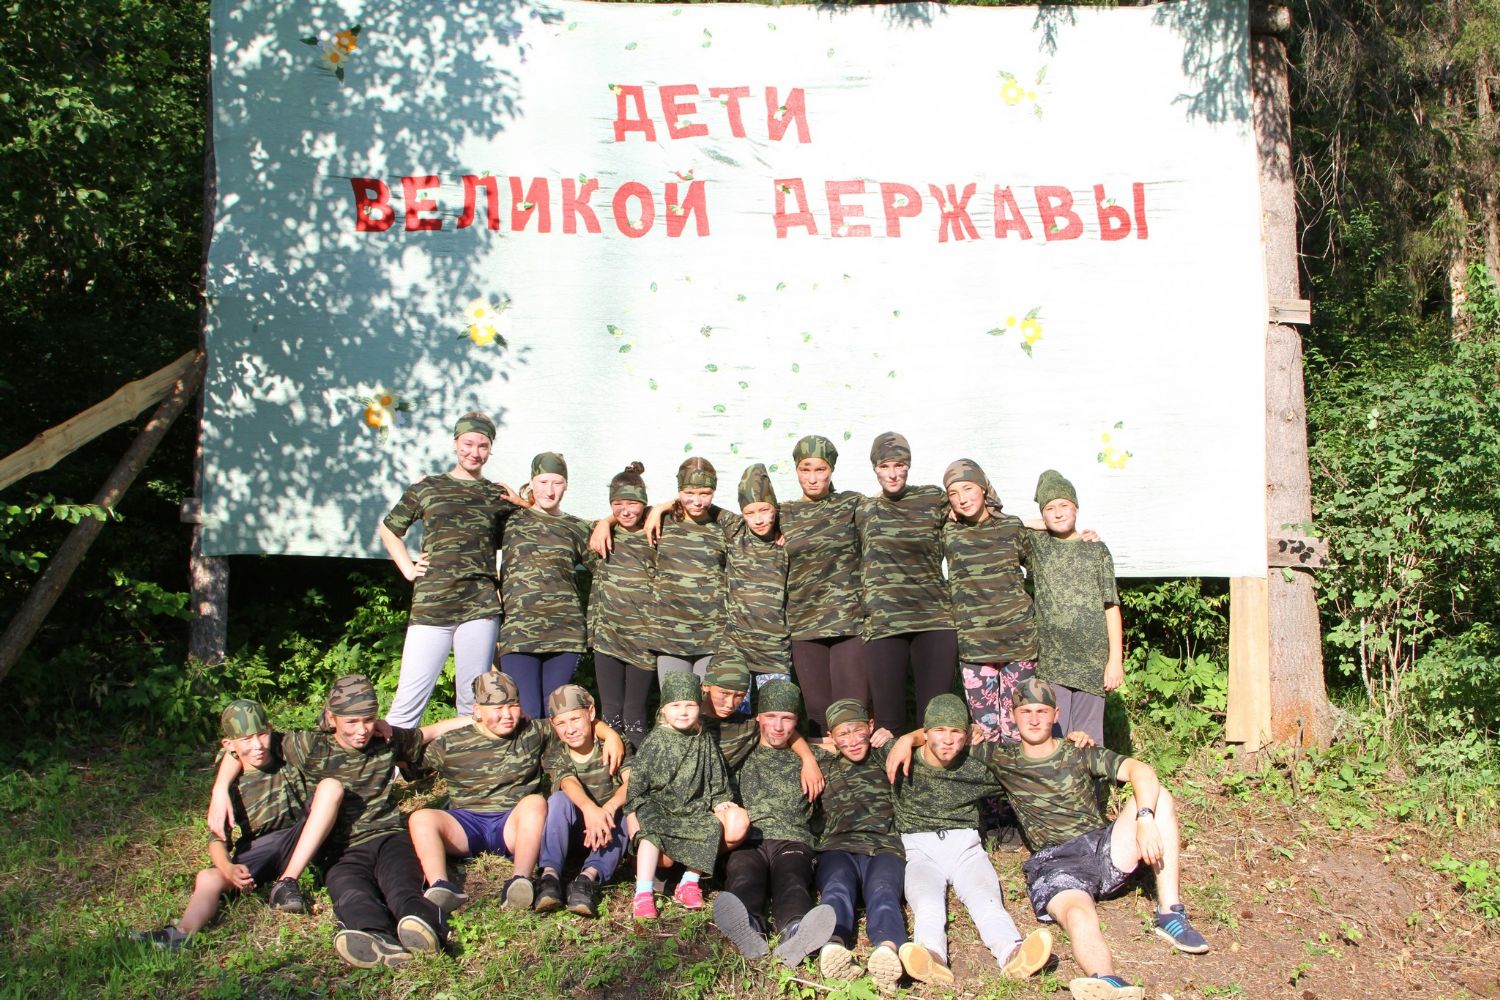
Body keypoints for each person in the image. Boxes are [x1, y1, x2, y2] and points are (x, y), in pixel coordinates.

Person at [208, 675, 470, 968]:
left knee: (402, 886)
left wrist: (480, 718)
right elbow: (247, 746)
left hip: (388, 837)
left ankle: (423, 927)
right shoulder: (310, 746)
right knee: (351, 894)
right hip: (339, 849)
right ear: (332, 719)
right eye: (352, 722)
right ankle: (373, 937)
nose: (362, 730)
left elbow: (429, 732)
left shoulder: (386, 741)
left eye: (369, 720)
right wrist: (219, 789)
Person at [990, 678, 1210, 1000]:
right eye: (1026, 712)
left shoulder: (1078, 751)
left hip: (1101, 846)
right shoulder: (1002, 759)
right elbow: (943, 746)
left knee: (1159, 796)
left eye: (1042, 711)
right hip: (1056, 863)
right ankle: (1106, 981)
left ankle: (1169, 912)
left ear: (1056, 715)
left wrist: (1144, 819)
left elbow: (1140, 770)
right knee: (1078, 914)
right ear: (1012, 715)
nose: (1034, 719)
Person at [131, 699, 344, 951]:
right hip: (261, 848)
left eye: (262, 734)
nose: (257, 746)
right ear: (229, 745)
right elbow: (217, 839)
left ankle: (288, 881)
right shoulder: (232, 785)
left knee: (330, 788)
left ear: (270, 730)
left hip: (304, 834)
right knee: (208, 877)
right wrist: (228, 868)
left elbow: (327, 732)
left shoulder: (285, 750)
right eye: (246, 739)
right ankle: (180, 935)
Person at [407, 670, 623, 915]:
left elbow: (574, 721)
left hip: (512, 824)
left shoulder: (532, 731)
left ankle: (521, 880)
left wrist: (611, 735)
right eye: (497, 708)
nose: (507, 715)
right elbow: (401, 747)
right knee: (421, 818)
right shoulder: (451, 742)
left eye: (513, 706)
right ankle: (440, 885)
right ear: (477, 710)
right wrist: (453, 724)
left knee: (535, 802)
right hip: (464, 824)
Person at [882, 694, 1054, 986]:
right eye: (939, 730)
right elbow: (847, 743)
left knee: (986, 901)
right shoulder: (900, 756)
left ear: (967, 735)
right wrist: (904, 740)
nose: (948, 739)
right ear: (925, 732)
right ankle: (931, 957)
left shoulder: (976, 765)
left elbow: (1026, 763)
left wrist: (1072, 742)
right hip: (918, 850)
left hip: (965, 847)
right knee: (927, 904)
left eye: (956, 732)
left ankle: (1013, 953)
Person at [379, 411, 522, 728]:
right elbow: (389, 529)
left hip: (480, 606)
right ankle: (393, 756)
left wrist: (521, 502)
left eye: (482, 446)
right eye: (468, 443)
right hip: (433, 604)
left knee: (474, 702)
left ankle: (467, 755)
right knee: (408, 699)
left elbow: (533, 526)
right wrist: (408, 568)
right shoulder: (429, 487)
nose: (474, 452)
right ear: (456, 443)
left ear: (490, 449)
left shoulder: (495, 494)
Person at [941, 458, 1040, 847]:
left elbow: (1042, 561)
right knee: (985, 734)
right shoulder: (948, 532)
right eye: (953, 493)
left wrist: (1074, 534)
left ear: (984, 488)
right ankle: (994, 816)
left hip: (1018, 644)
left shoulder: (1012, 527)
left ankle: (1023, 812)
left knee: (1018, 731)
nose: (962, 498)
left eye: (968, 488)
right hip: (975, 648)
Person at [712, 680, 837, 968]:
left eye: (787, 718)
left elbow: (855, 747)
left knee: (793, 879)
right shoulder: (738, 752)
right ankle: (749, 927)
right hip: (748, 839)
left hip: (793, 840)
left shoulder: (816, 760)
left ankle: (795, 931)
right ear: (758, 717)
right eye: (770, 716)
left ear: (797, 721)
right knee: (744, 875)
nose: (778, 726)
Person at [625, 671, 750, 918]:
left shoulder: (703, 738)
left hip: (693, 806)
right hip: (658, 805)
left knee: (711, 826)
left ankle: (689, 882)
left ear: (699, 707)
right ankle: (643, 893)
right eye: (675, 706)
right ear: (664, 709)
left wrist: (720, 799)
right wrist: (633, 811)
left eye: (690, 705)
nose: (683, 712)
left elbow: (715, 772)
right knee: (651, 833)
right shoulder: (655, 740)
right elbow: (638, 781)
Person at [858, 432, 957, 735]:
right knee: (888, 724)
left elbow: (980, 510)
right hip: (885, 624)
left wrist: (1044, 524)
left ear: (908, 466)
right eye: (884, 466)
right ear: (874, 468)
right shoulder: (862, 508)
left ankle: (931, 769)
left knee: (934, 721)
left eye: (899, 465)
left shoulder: (932, 498)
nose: (892, 474)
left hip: (934, 620)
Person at [809, 698, 906, 991]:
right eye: (843, 734)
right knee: (836, 887)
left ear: (871, 727)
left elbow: (929, 739)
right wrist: (809, 752)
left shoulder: (884, 754)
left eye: (857, 731)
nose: (852, 741)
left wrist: (900, 738)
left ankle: (887, 950)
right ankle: (833, 945)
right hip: (838, 847)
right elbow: (780, 738)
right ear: (831, 737)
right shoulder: (823, 762)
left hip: (884, 846)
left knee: (883, 891)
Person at [1026, 471, 1124, 744]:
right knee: (1055, 741)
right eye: (1050, 508)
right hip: (1052, 661)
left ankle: (1091, 778)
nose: (1058, 513)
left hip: (1091, 662)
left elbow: (1111, 606)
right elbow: (1006, 523)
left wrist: (1114, 661)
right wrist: (1044, 522)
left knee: (1088, 743)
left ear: (1077, 508)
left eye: (1064, 505)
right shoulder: (1038, 545)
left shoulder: (1097, 550)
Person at [778, 435, 866, 737]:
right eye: (805, 469)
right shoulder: (784, 513)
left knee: (853, 713)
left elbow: (894, 506)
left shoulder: (852, 504)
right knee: (817, 715)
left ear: (832, 469)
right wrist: (664, 507)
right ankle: (823, 769)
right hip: (804, 625)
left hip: (849, 623)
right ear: (796, 470)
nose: (813, 478)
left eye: (820, 469)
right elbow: (738, 521)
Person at [498, 451, 592, 720]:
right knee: (526, 713)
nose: (550, 491)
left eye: (557, 483)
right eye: (543, 482)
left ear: (566, 485)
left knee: (557, 715)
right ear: (531, 483)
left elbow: (607, 566)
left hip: (564, 632)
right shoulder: (510, 520)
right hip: (519, 633)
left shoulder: (577, 528)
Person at [539, 684, 633, 918]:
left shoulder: (614, 744)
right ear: (553, 724)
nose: (570, 729)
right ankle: (549, 876)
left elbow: (631, 782)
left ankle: (587, 878)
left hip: (607, 829)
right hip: (573, 831)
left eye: (575, 719)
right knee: (559, 800)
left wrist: (608, 808)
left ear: (591, 713)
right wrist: (590, 810)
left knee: (627, 809)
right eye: (561, 723)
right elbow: (567, 782)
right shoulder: (555, 750)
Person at [648, 457, 741, 683]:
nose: (697, 501)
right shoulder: (661, 520)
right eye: (689, 493)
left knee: (707, 702)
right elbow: (625, 510)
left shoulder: (725, 525)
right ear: (679, 490)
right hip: (670, 633)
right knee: (676, 700)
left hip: (713, 634)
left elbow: (759, 518)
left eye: (705, 493)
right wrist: (606, 523)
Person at [588, 462, 657, 749]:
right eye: (617, 504)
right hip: (608, 639)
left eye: (633, 504)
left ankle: (640, 770)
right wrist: (605, 523)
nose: (625, 511)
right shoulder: (601, 534)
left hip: (643, 641)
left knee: (635, 716)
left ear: (644, 504)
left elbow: (680, 504)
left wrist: (608, 519)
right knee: (611, 716)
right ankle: (610, 769)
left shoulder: (657, 531)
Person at [717, 464, 793, 689]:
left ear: (775, 508)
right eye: (749, 513)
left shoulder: (789, 532)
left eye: (764, 510)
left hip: (775, 650)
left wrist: (786, 529)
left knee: (777, 708)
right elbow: (695, 501)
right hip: (735, 650)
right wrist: (659, 509)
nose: (758, 520)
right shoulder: (735, 529)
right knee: (734, 710)